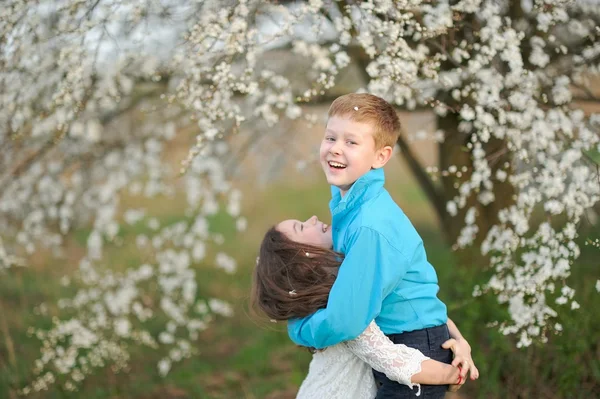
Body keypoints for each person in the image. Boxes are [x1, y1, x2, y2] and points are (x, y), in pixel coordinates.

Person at [286, 93, 479, 398]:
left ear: (380, 157)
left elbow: (346, 319)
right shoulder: (350, 206)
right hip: (402, 339)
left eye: (352, 142)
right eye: (331, 137)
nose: (336, 148)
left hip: (414, 345)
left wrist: (298, 328)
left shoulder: (369, 224)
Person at [253, 219, 468, 398]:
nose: (312, 219)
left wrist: (460, 342)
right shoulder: (339, 310)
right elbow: (391, 359)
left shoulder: (345, 281)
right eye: (301, 227)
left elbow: (418, 309)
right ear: (301, 262)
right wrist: (452, 375)